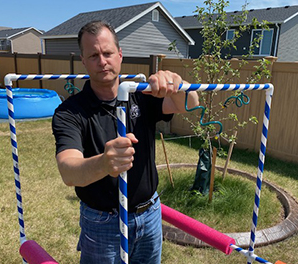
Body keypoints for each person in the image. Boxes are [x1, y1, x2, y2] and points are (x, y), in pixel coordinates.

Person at [52, 20, 198, 264]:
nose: (102, 61)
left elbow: (190, 105)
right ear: (83, 60)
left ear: (120, 55)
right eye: (93, 55)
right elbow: (69, 171)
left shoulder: (141, 95)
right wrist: (104, 163)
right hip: (102, 223)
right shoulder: (70, 112)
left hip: (150, 214)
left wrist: (178, 84)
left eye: (108, 53)